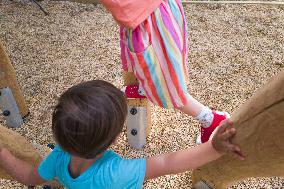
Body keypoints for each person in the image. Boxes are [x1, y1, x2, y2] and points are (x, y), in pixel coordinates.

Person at [0, 80, 244, 188]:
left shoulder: (57, 158)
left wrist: (3, 154)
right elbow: (170, 163)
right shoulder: (117, 173)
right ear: (115, 138)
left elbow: (29, 176)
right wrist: (214, 148)